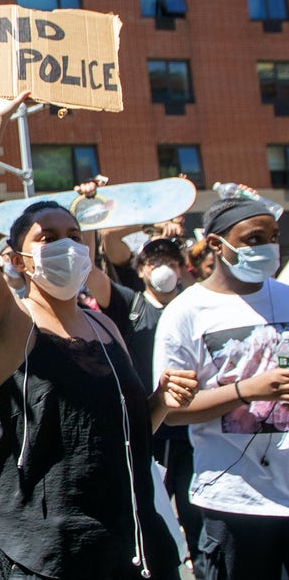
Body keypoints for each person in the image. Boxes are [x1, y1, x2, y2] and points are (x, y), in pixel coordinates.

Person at [0, 91, 197, 580]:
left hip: (123, 544)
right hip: (41, 554)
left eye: (73, 236)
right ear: (19, 261)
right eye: (47, 237)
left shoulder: (103, 326)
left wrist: (162, 400)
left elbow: (125, 436)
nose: (65, 244)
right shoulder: (5, 325)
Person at [153, 197, 289, 578]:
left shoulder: (285, 297)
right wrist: (247, 390)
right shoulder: (186, 312)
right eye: (253, 238)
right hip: (234, 502)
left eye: (274, 236)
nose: (268, 247)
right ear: (216, 243)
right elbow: (173, 412)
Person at [85, 234, 202, 566]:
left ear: (182, 269)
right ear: (141, 269)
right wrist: (100, 218)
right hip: (149, 430)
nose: (163, 268)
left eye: (170, 261)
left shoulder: (195, 306)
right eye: (154, 262)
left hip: (195, 431)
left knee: (197, 520)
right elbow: (92, 272)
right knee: (153, 519)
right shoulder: (131, 305)